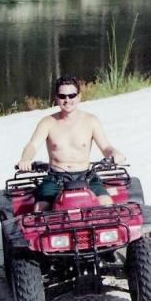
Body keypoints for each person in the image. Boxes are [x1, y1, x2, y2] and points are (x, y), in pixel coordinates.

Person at [18, 75, 126, 211]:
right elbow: (32, 145)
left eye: (72, 95)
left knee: (107, 204)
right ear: (56, 98)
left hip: (86, 177)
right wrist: (26, 159)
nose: (67, 100)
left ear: (79, 97)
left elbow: (106, 147)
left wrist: (115, 153)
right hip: (56, 178)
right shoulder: (47, 122)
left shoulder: (91, 121)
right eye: (62, 96)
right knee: (40, 208)